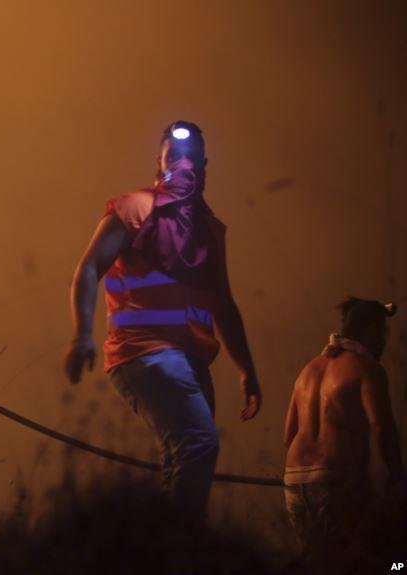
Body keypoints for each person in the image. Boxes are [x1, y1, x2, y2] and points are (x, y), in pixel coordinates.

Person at [64, 121, 262, 520]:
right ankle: (175, 548)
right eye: (174, 156)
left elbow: (224, 303)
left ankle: (165, 549)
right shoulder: (136, 207)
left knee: (186, 458)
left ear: (204, 165)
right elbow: (88, 268)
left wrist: (246, 370)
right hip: (145, 352)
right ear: (159, 161)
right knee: (198, 445)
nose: (184, 164)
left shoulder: (208, 230)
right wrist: (81, 335)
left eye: (191, 158)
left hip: (190, 359)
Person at [283, 297, 402, 558]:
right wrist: (397, 476)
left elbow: (288, 435)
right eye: (382, 332)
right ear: (370, 332)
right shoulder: (368, 369)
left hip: (293, 481)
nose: (384, 340)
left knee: (316, 562)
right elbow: (381, 427)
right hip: (336, 482)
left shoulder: (308, 370)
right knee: (360, 561)